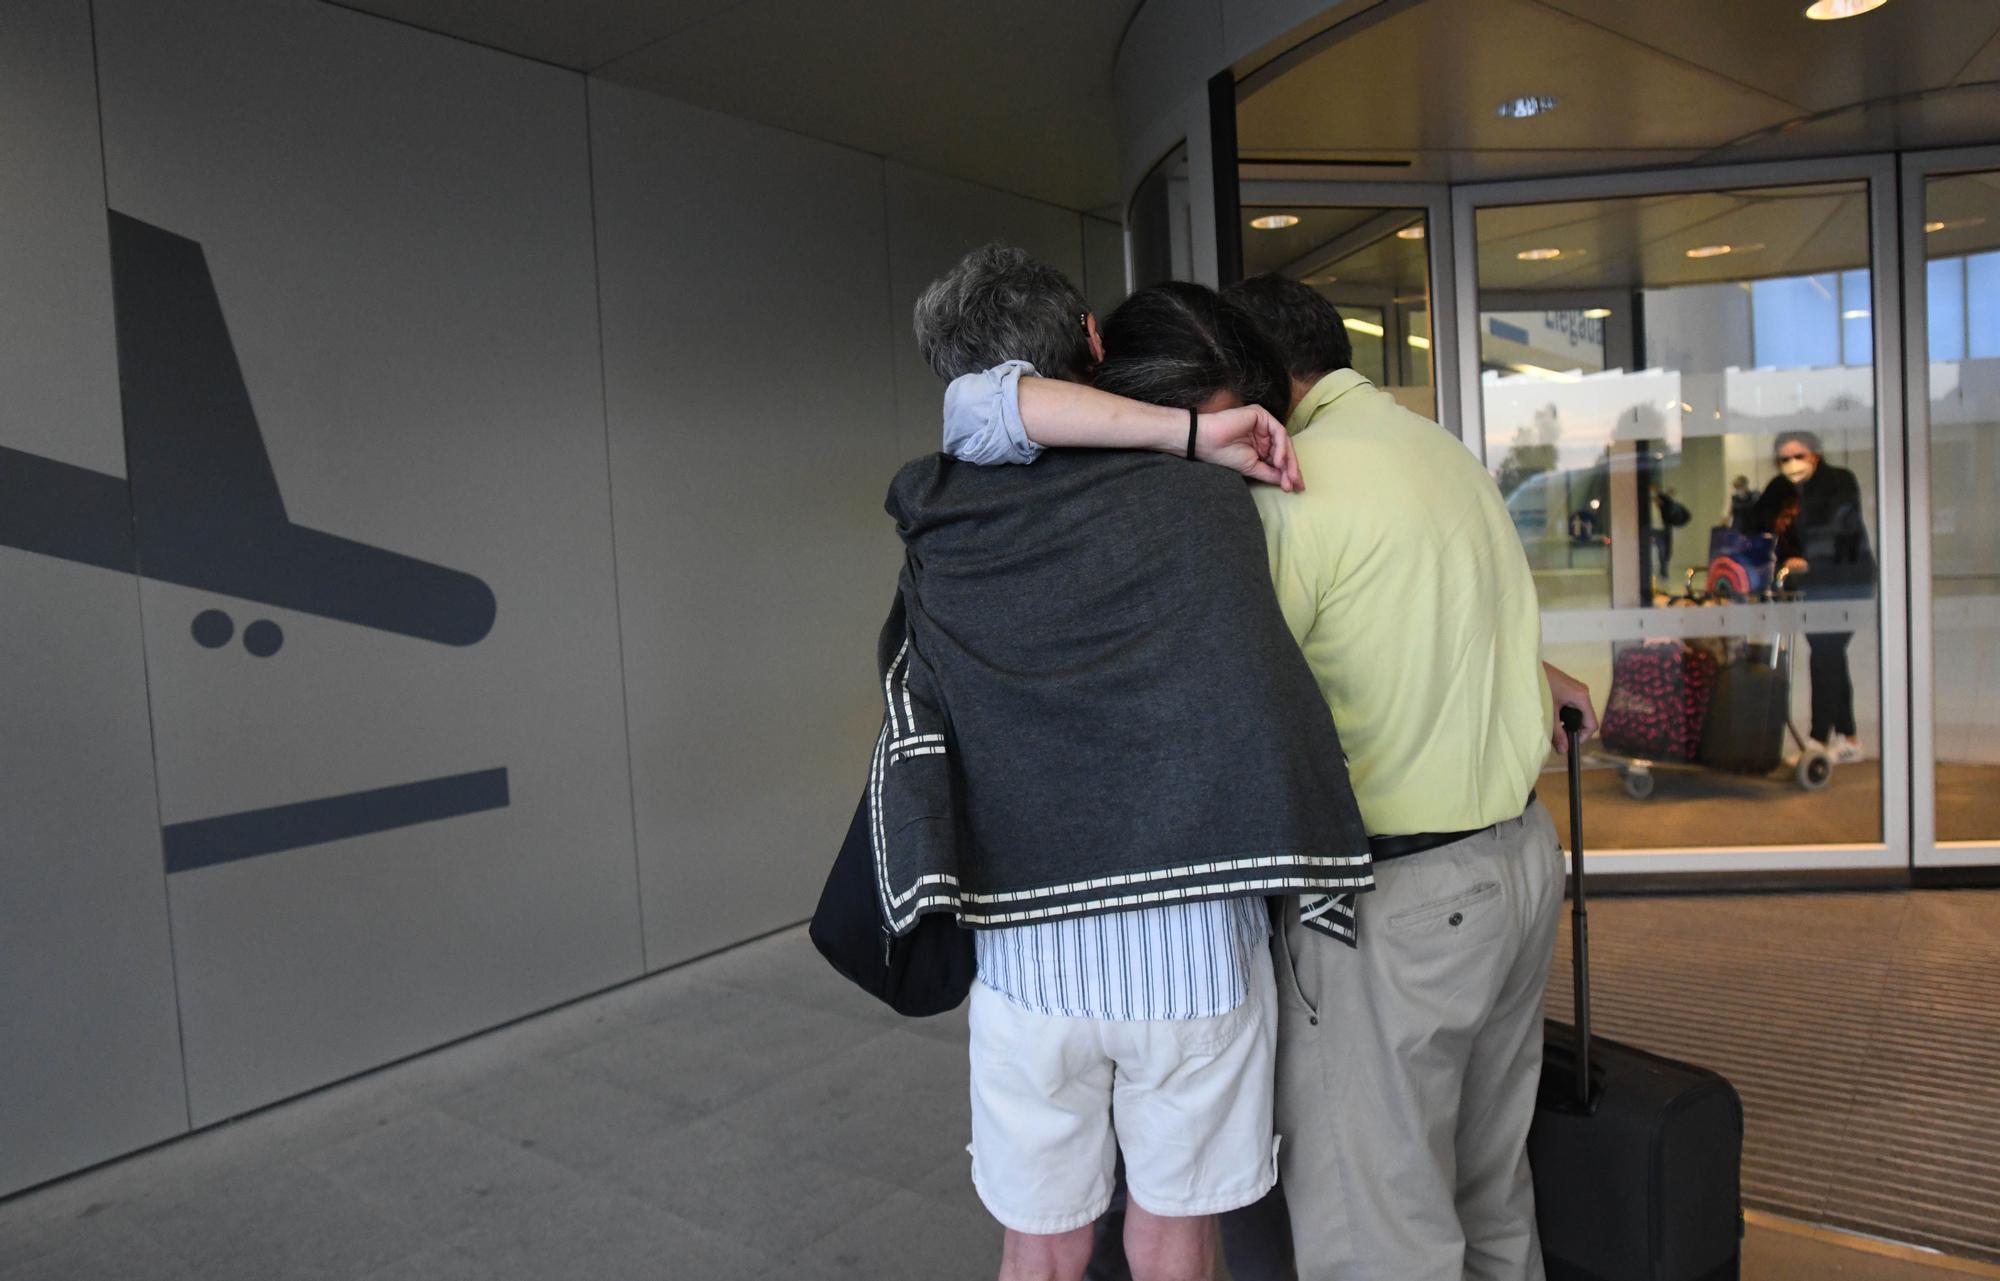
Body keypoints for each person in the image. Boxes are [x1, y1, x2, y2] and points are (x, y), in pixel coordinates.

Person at [943, 271, 1599, 1281]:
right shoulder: (1435, 451)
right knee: (1488, 1191)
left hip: (1398, 907)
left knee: (1379, 1224)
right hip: (1516, 866)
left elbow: (1204, 705)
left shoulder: (1276, 501)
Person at [886, 246, 1372, 1281]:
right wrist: (1200, 438)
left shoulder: (935, 512)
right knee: (1175, 1241)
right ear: (1093, 347)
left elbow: (984, 411)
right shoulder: (1203, 504)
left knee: (1042, 1248)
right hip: (1190, 946)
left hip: (1026, 955)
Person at [1745, 429, 1874, 763]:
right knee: (1829, 655)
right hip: (1808, 585)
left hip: (1845, 579)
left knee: (1825, 653)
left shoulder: (1839, 482)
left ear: (1815, 454)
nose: (1792, 464)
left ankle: (1818, 741)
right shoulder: (1781, 488)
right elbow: (1756, 523)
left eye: (1799, 455)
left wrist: (1810, 559)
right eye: (1784, 458)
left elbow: (1838, 526)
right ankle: (1848, 739)